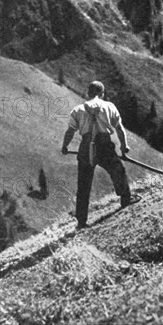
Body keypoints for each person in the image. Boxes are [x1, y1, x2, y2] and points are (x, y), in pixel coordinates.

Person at [62, 81, 141, 228]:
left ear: (88, 93)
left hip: (85, 148)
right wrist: (124, 147)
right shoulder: (109, 106)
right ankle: (125, 199)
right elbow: (120, 129)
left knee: (83, 183)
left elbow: (70, 131)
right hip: (104, 145)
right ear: (102, 94)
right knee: (117, 170)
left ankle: (81, 221)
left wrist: (65, 146)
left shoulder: (78, 110)